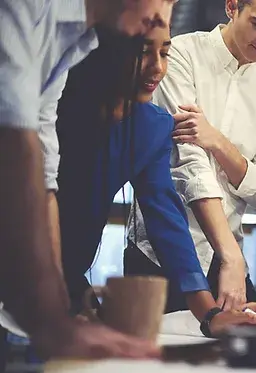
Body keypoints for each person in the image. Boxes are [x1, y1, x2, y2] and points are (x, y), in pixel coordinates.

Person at [56, 24, 256, 337]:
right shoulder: (52, 107)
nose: (158, 68)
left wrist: (208, 314)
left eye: (165, 53)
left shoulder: (150, 127)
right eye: (142, 53)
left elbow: (166, 218)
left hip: (66, 269)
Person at [0, 0, 176, 360]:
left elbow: (43, 173)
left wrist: (60, 308)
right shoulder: (24, 6)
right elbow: (14, 143)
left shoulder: (70, 41)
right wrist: (51, 321)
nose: (164, 15)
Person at [127, 0, 256, 313]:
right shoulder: (179, 54)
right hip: (159, 252)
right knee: (150, 359)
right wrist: (231, 254)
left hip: (226, 260)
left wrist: (218, 142)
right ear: (232, 6)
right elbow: (186, 162)